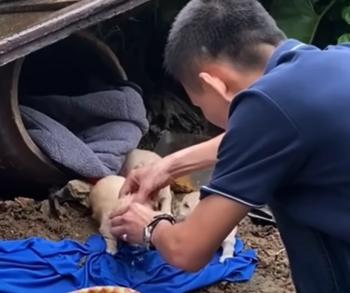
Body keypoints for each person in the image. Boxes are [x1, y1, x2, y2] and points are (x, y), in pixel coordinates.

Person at [109, 0, 350, 292]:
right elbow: (277, 134)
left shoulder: (265, 108)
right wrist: (167, 166)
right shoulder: (332, 62)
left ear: (214, 84)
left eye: (199, 105)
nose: (202, 112)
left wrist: (149, 225)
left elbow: (187, 251)